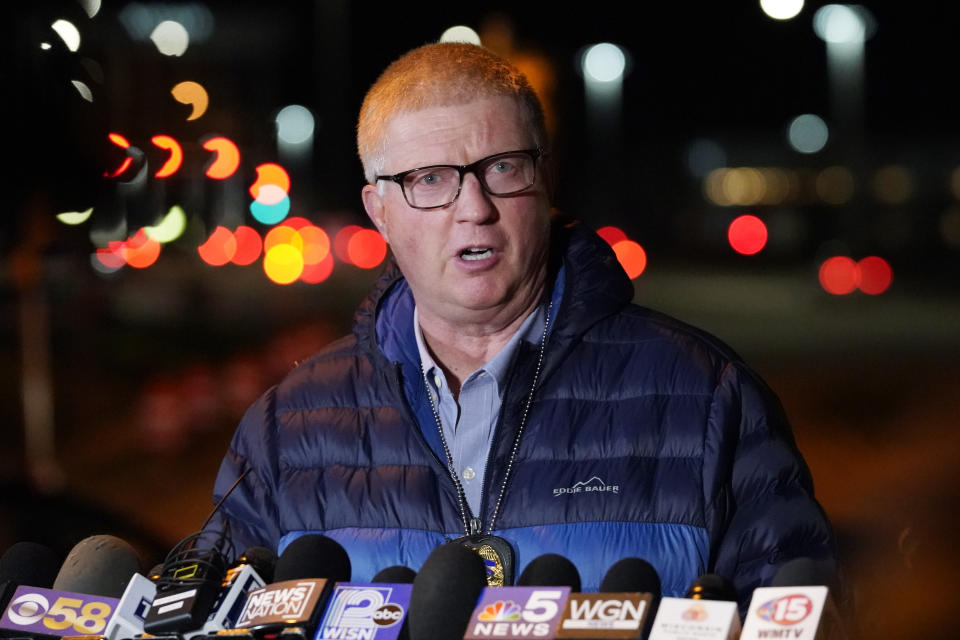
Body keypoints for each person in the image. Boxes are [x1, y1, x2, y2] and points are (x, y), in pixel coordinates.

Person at [208, 42, 837, 608]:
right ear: (379, 209)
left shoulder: (709, 397)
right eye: (430, 180)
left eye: (503, 168)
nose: (475, 209)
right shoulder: (285, 431)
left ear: (546, 178)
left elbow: (804, 618)